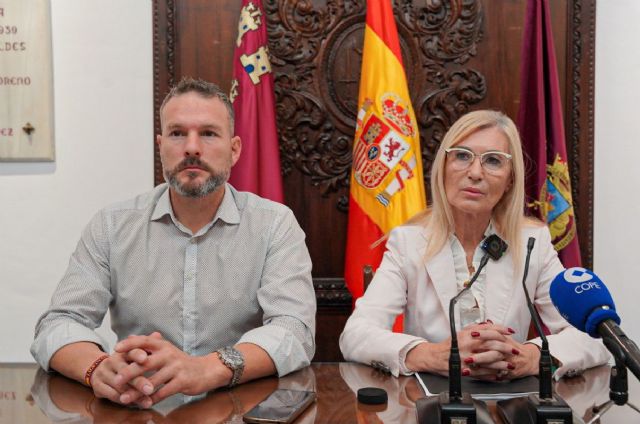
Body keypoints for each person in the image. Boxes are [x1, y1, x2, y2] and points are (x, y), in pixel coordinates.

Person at [31, 77, 316, 408]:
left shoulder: (274, 225)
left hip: (237, 408)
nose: (192, 148)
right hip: (138, 406)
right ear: (161, 145)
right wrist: (97, 369)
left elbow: (294, 331)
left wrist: (207, 369)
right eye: (178, 133)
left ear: (235, 149)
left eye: (208, 134)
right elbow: (58, 323)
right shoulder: (112, 225)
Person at [339, 110, 609, 380]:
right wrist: (429, 355)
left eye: (493, 161)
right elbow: (356, 334)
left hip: (508, 403)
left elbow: (595, 338)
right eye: (462, 156)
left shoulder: (532, 243)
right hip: (429, 404)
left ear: (510, 180)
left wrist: (531, 357)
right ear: (443, 167)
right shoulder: (408, 242)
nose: (475, 173)